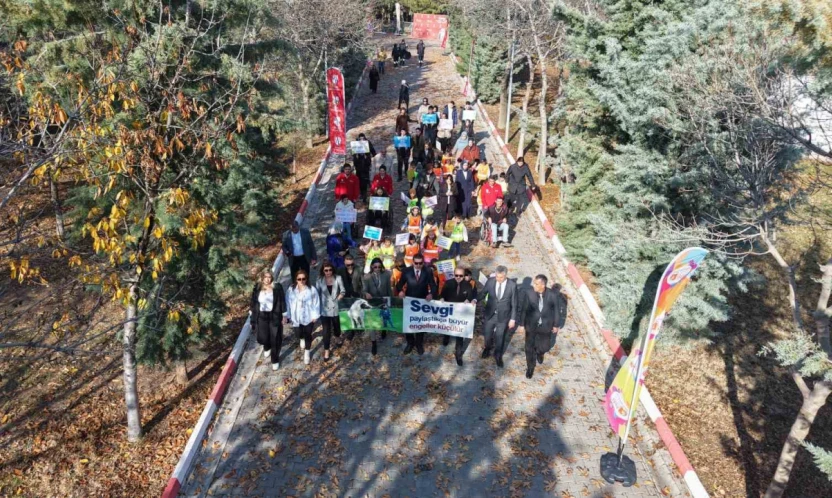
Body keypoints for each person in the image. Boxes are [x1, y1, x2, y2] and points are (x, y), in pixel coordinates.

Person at [517, 274, 561, 379]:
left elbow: (556, 311)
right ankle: (530, 367)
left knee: (545, 346)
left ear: (543, 285)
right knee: (528, 347)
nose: (534, 285)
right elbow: (524, 309)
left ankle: (540, 353)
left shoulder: (552, 295)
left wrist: (556, 325)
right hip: (531, 324)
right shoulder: (529, 293)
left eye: (536, 284)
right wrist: (521, 325)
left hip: (546, 325)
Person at [395, 253, 437, 355]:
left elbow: (433, 285)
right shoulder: (406, 271)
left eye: (420, 263)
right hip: (409, 301)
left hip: (423, 301)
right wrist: (400, 291)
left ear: (423, 263)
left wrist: (431, 294)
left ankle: (419, 343)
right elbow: (399, 285)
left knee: (420, 323)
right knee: (408, 322)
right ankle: (410, 343)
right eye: (416, 263)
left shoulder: (428, 271)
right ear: (412, 262)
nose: (418, 265)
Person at [480, 265, 518, 368]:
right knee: (487, 335)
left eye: (501, 277)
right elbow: (483, 293)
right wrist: (474, 300)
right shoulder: (490, 281)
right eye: (497, 276)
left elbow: (514, 304)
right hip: (490, 315)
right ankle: (487, 348)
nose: (498, 279)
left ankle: (498, 355)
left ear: (506, 275)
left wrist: (512, 319)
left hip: (503, 317)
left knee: (500, 337)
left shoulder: (512, 285)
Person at [250, 269, 286, 370]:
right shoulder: (257, 287)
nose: (267, 279)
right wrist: (252, 319)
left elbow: (282, 301)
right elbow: (253, 303)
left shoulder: (277, 287)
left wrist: (284, 315)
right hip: (261, 316)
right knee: (263, 337)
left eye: (269, 277)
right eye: (265, 277)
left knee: (275, 338)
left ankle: (275, 359)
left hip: (274, 315)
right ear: (262, 278)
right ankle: (267, 346)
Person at [440, 266, 476, 366]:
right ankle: (446, 337)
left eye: (461, 275)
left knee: (459, 335)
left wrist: (468, 299)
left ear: (464, 276)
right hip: (449, 312)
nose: (458, 277)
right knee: (447, 327)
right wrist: (442, 298)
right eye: (456, 275)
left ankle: (459, 355)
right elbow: (442, 294)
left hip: (460, 314)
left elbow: (470, 296)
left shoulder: (468, 285)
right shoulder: (448, 283)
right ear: (454, 274)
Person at [284, 268, 320, 365]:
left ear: (306, 279)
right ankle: (301, 338)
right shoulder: (291, 290)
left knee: (308, 335)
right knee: (298, 333)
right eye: (299, 279)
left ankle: (307, 352)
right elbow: (287, 302)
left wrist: (315, 315)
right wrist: (287, 315)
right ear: (296, 280)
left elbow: (316, 303)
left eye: (303, 279)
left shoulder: (312, 290)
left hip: (308, 317)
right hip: (296, 317)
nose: (301, 281)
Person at [362, 257, 392, 356]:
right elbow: (364, 289)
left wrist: (391, 301)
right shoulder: (367, 277)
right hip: (372, 301)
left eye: (379, 267)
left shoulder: (386, 275)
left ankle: (384, 330)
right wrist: (366, 293)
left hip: (383, 300)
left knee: (384, 317)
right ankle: (374, 342)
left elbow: (389, 289)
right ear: (372, 267)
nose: (377, 269)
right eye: (375, 267)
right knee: (372, 322)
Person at [316, 262, 345, 361]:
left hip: (335, 307)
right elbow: (317, 294)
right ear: (323, 271)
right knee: (326, 331)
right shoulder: (319, 280)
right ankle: (327, 350)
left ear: (333, 270)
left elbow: (343, 290)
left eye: (330, 270)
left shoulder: (338, 278)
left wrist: (340, 296)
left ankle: (337, 336)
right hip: (324, 309)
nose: (328, 272)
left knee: (337, 326)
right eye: (326, 270)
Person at [352, 134, 376, 200]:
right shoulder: (356, 144)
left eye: (363, 138)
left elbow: (373, 151)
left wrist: (373, 156)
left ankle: (364, 194)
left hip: (366, 164)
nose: (362, 140)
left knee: (365, 178)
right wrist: (356, 156)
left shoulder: (367, 143)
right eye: (360, 138)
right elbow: (353, 154)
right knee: (359, 179)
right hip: (358, 165)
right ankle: (361, 192)